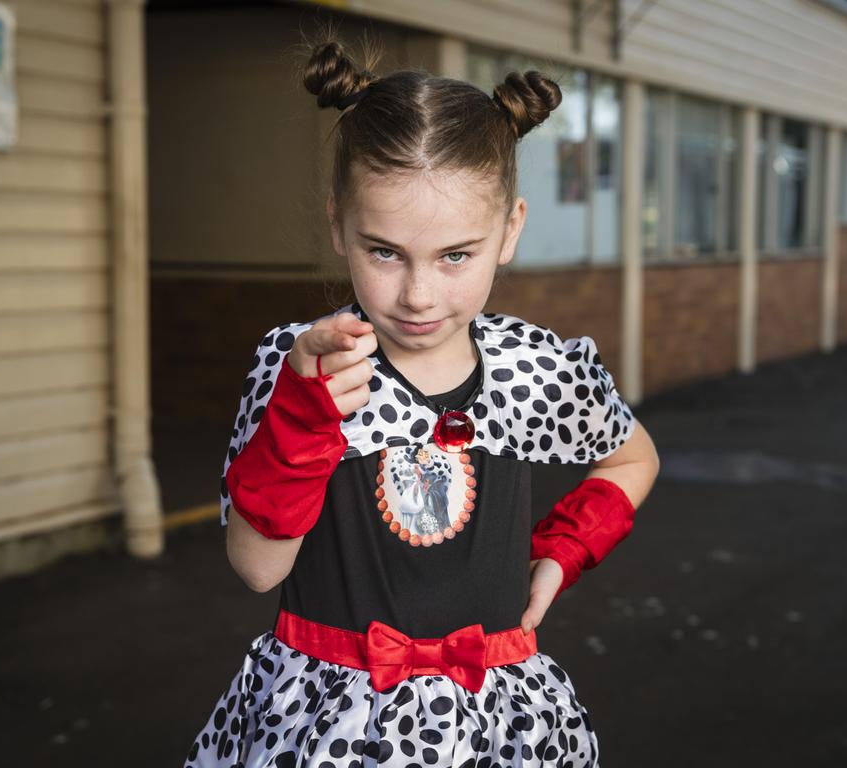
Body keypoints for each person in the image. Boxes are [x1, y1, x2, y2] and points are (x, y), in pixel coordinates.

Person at [185, 36, 660, 768]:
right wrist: (304, 419)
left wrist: (562, 550)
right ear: (339, 222)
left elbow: (632, 456)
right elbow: (257, 567)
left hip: (501, 721)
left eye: (455, 255)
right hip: (330, 724)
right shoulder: (303, 366)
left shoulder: (535, 368)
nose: (417, 294)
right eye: (384, 251)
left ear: (511, 230)